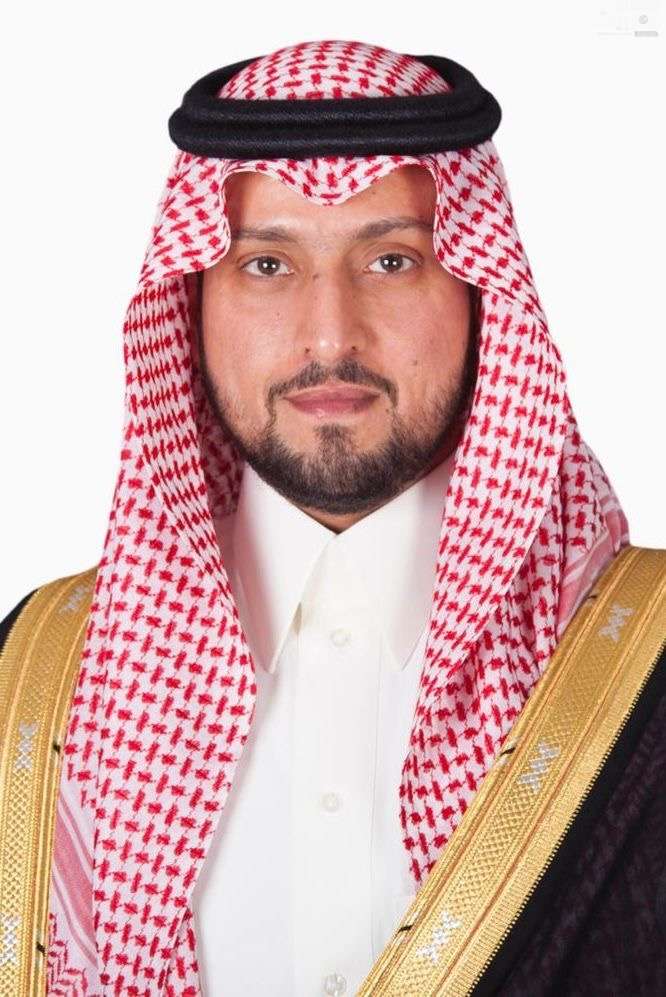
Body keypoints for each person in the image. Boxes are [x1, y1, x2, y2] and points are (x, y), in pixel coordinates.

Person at [0, 39, 664, 997]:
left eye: (392, 260)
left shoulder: (643, 663)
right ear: (190, 302)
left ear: (481, 292)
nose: (329, 334)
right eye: (267, 264)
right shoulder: (36, 681)